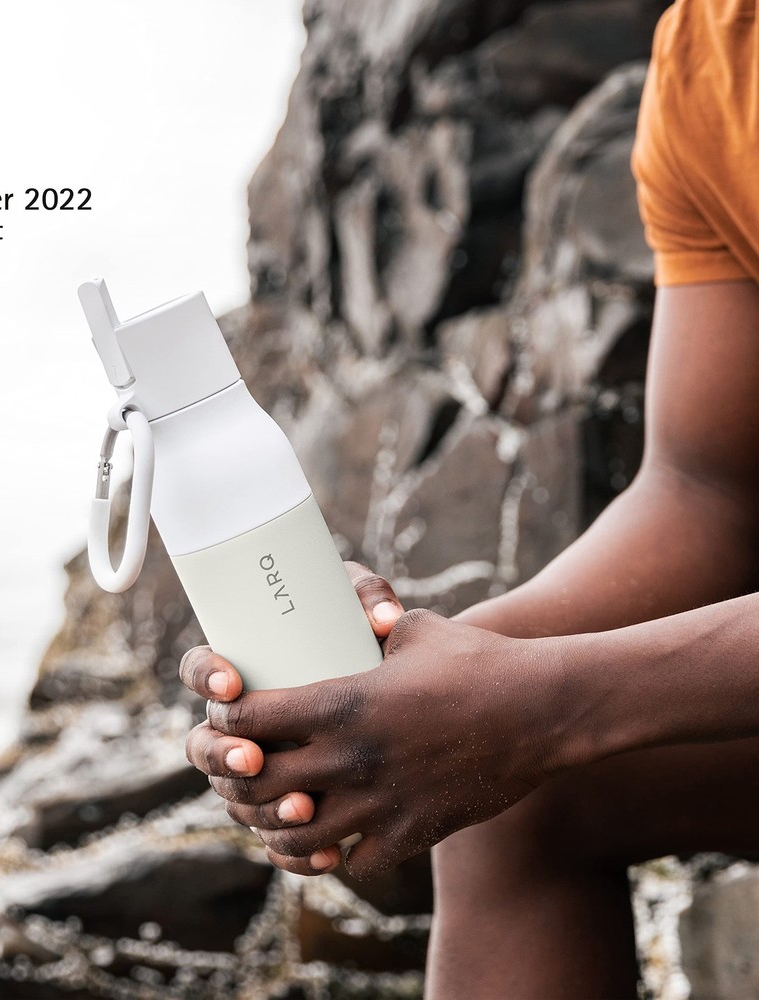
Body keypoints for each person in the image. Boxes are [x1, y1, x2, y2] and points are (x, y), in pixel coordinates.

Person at [179, 0, 759, 995]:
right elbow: (708, 489)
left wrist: (542, 701)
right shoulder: (714, 53)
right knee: (513, 801)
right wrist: (416, 688)